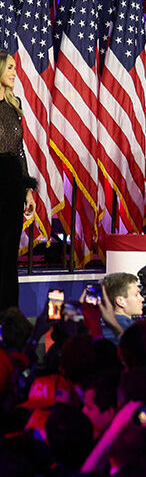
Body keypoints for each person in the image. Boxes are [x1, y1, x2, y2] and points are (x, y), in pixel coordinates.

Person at [0, 49, 36, 312]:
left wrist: (27, 191)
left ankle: (9, 312)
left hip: (12, 181)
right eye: (10, 67)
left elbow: (20, 150)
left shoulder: (15, 105)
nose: (15, 73)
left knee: (9, 250)